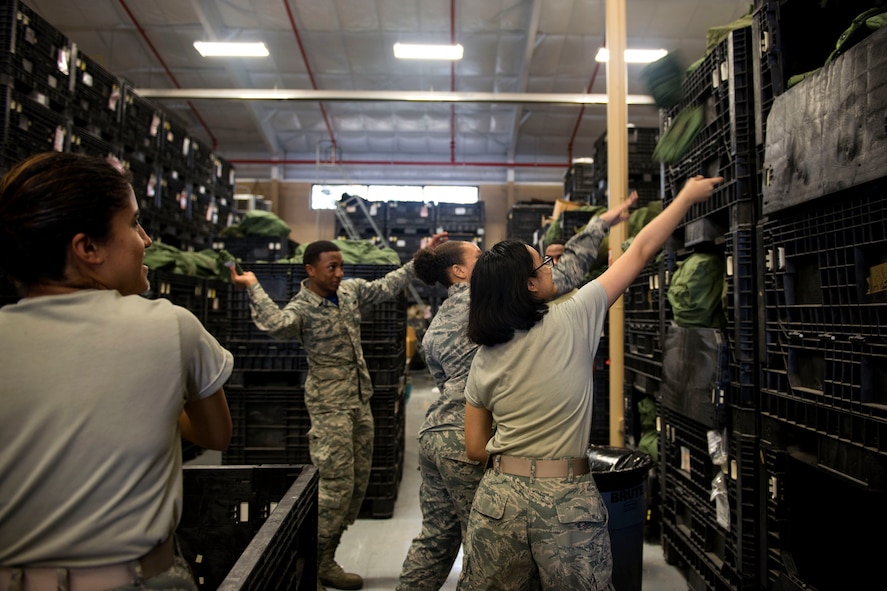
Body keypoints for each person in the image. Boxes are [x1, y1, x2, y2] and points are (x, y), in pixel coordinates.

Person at [461, 175, 722, 590]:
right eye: (544, 265)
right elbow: (641, 249)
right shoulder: (576, 314)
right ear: (529, 284)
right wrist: (687, 197)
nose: (553, 269)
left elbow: (475, 448)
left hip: (498, 501)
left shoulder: (484, 355)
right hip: (565, 500)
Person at [0, 152, 234, 591]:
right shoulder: (171, 326)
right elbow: (216, 435)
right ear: (88, 248)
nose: (145, 239)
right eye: (134, 223)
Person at [396, 197, 636, 591]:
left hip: (436, 433)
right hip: (478, 444)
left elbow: (445, 380)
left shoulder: (438, 323)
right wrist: (600, 224)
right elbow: (570, 274)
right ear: (459, 270)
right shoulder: (497, 300)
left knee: (437, 539)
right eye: (479, 256)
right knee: (504, 551)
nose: (488, 258)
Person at [229, 234, 446, 591]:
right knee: (334, 488)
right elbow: (277, 325)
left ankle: (327, 559)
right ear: (310, 270)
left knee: (357, 486)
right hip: (329, 407)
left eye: (341, 266)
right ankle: (308, 566)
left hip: (359, 403)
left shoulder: (349, 293)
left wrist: (423, 255)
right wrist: (252, 286)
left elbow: (389, 284)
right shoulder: (302, 308)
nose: (339, 273)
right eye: (332, 267)